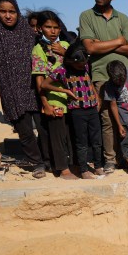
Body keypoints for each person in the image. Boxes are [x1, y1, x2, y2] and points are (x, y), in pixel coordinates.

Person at [79, 0, 128, 173]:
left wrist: (102, 44)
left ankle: (126, 157)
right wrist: (118, 41)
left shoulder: (123, 18)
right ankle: (110, 159)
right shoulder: (86, 16)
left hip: (126, 73)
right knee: (107, 120)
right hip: (101, 74)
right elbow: (90, 49)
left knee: (127, 117)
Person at [0, 0, 46, 178]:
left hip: (33, 87)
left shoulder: (28, 32)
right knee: (25, 131)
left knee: (43, 126)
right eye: (3, 11)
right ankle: (37, 163)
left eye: (12, 11)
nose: (8, 16)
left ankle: (49, 159)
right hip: (11, 90)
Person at [40, 41, 102, 178]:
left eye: (83, 64)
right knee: (81, 142)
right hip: (78, 111)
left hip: (92, 108)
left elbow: (89, 81)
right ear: (71, 61)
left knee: (97, 140)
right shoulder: (63, 70)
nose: (82, 66)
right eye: (78, 65)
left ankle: (98, 166)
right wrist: (66, 91)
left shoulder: (85, 64)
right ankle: (84, 170)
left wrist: (96, 97)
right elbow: (44, 84)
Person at [32, 11, 74, 179]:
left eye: (56, 27)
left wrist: (65, 53)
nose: (53, 31)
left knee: (69, 135)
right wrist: (45, 104)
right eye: (48, 27)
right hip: (53, 99)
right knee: (56, 136)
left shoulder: (65, 45)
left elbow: (79, 64)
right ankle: (63, 169)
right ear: (40, 28)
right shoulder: (38, 49)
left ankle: (71, 165)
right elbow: (39, 79)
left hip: (71, 98)